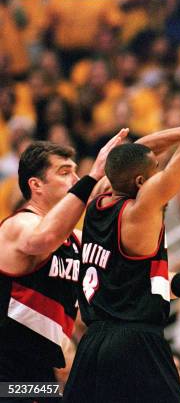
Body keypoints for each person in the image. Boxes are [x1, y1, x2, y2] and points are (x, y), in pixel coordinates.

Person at [62, 20, 180, 403]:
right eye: (155, 173)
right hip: (135, 343)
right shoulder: (139, 212)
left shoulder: (98, 198)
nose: (161, 175)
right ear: (142, 184)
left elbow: (139, 150)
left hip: (93, 345)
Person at [0, 131, 125, 397]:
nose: (76, 179)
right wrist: (93, 176)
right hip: (5, 371)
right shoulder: (18, 225)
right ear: (36, 185)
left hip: (39, 374)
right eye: (65, 171)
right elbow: (44, 239)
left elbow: (127, 278)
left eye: (77, 172)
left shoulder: (76, 242)